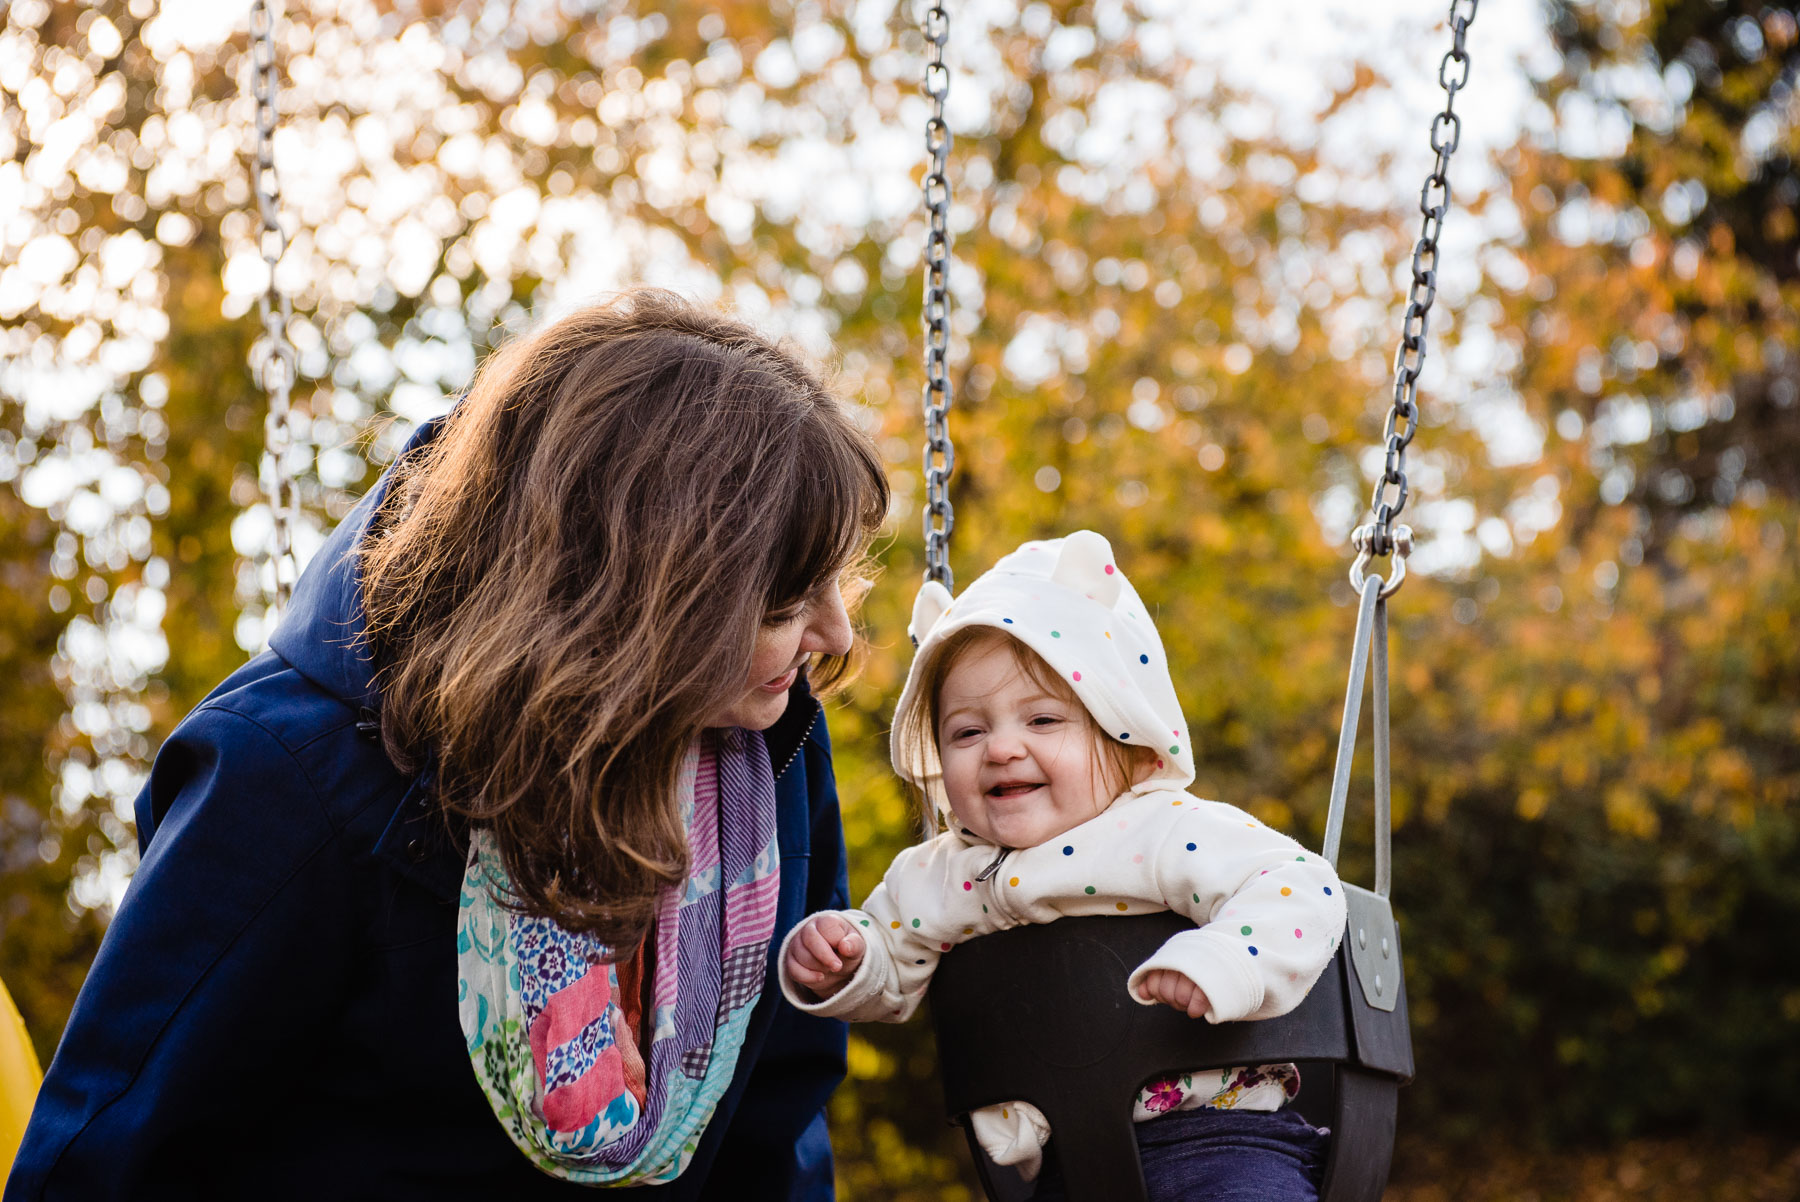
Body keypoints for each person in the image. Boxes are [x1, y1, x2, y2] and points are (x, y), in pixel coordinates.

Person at [6, 290, 888, 1201]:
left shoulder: (762, 756)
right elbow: (109, 1157)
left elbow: (774, 1127)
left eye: (833, 584)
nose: (832, 633)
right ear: (639, 602)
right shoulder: (295, 779)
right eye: (783, 601)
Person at [779, 530, 1345, 1200]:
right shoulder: (936, 873)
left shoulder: (1162, 828)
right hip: (1062, 1167)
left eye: (1043, 720)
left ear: (1129, 740)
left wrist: (1225, 959)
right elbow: (890, 971)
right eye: (967, 731)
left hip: (1219, 1142)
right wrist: (846, 959)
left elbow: (1299, 886)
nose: (1002, 748)